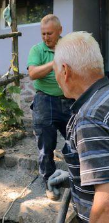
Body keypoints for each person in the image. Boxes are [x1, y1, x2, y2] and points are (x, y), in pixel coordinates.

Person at [48, 31, 109, 223]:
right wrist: (75, 177)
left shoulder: (89, 118)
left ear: (65, 71)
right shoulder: (104, 98)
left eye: (55, 71)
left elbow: (106, 205)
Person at [27, 14, 74, 200]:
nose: (46, 37)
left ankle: (80, 179)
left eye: (50, 33)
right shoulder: (37, 50)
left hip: (68, 99)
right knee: (46, 147)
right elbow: (32, 74)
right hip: (44, 101)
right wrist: (53, 63)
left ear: (60, 31)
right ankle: (49, 181)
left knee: (75, 141)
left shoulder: (70, 48)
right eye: (43, 33)